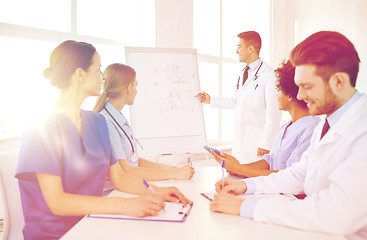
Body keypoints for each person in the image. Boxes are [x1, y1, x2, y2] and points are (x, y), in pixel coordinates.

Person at [15, 40, 191, 240]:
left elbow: (120, 178)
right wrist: (124, 206)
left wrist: (157, 192)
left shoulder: (97, 122)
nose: (103, 76)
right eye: (98, 69)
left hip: (92, 223)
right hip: (55, 234)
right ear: (80, 74)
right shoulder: (41, 126)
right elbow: (57, 201)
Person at [210, 31, 367, 239]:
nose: (300, 96)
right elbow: (301, 172)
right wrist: (246, 185)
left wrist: (247, 207)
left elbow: (336, 215)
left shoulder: (361, 131)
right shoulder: (327, 124)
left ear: (338, 81)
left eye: (306, 87)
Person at [210, 60, 320, 177]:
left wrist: (240, 169)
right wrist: (238, 168)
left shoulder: (312, 129)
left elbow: (291, 176)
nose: (276, 96)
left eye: (278, 91)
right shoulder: (285, 127)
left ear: (289, 96)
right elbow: (269, 161)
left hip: (290, 194)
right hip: (271, 190)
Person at [94, 63, 195, 181]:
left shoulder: (117, 116)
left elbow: (134, 160)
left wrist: (169, 168)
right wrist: (174, 174)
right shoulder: (106, 121)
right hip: (116, 191)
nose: (136, 91)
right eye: (136, 86)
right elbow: (127, 171)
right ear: (129, 88)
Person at [197, 31, 281, 164]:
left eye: (239, 46)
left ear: (251, 48)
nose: (237, 51)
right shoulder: (243, 74)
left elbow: (274, 114)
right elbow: (237, 102)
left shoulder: (270, 76)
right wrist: (211, 100)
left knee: (254, 180)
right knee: (238, 178)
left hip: (258, 145)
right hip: (241, 143)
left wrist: (266, 143)